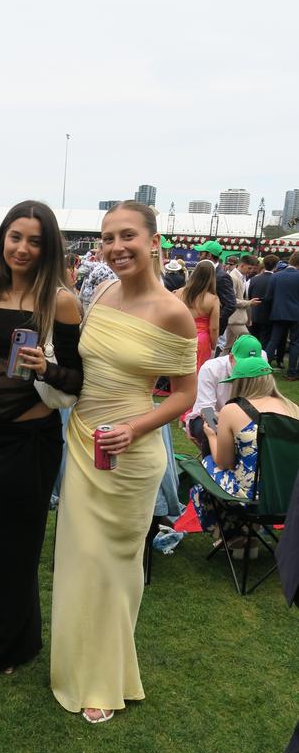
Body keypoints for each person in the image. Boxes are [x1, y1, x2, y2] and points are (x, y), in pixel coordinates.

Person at [50, 200, 197, 724]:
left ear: (154, 241)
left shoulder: (174, 312)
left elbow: (184, 396)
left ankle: (106, 678)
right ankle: (72, 663)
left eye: (127, 236)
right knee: (78, 558)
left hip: (130, 453)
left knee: (115, 566)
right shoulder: (103, 290)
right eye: (108, 238)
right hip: (82, 441)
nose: (115, 247)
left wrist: (134, 428)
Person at [0, 201, 83, 702]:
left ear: (48, 246)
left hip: (34, 439)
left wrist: (45, 367)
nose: (23, 248)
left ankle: (15, 641)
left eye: (34, 240)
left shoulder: (61, 302)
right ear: (1, 239)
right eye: (15, 237)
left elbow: (78, 382)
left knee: (22, 542)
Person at [190, 357, 299, 547]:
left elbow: (224, 463)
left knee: (207, 465)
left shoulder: (232, 409)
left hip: (255, 501)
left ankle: (232, 534)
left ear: (240, 383)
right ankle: (248, 534)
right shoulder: (293, 409)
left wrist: (211, 436)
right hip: (289, 496)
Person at [185, 334, 265, 456]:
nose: (248, 370)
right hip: (208, 417)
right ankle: (211, 469)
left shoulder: (262, 359)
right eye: (243, 364)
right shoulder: (211, 368)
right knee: (212, 430)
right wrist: (229, 425)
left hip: (244, 416)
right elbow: (207, 411)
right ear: (231, 358)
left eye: (252, 365)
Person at [175, 259, 219, 368]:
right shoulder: (213, 299)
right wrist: (213, 345)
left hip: (180, 336)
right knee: (197, 374)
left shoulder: (179, 292)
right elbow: (214, 328)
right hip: (201, 341)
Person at [265, 251, 299, 381]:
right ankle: (291, 373)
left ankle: (264, 368)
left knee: (273, 341)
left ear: (290, 260)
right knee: (295, 343)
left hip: (279, 313)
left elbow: (268, 297)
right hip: (296, 315)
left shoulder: (276, 276)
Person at [222, 254, 261, 354]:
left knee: (229, 346)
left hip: (237, 317)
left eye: (253, 268)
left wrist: (249, 316)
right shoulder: (233, 277)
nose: (251, 270)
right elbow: (231, 300)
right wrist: (249, 303)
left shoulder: (241, 277)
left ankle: (221, 366)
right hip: (234, 318)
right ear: (242, 265)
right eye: (249, 268)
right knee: (247, 341)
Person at [196, 241, 237, 336]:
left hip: (209, 329)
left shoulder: (221, 276)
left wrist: (212, 322)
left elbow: (230, 305)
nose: (198, 256)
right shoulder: (203, 271)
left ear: (209, 255)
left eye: (201, 254)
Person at [248, 255, 279, 350]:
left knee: (253, 340)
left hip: (254, 314)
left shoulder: (254, 279)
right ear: (276, 266)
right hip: (268, 315)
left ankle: (252, 358)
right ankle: (261, 360)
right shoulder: (276, 279)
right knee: (264, 341)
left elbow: (249, 295)